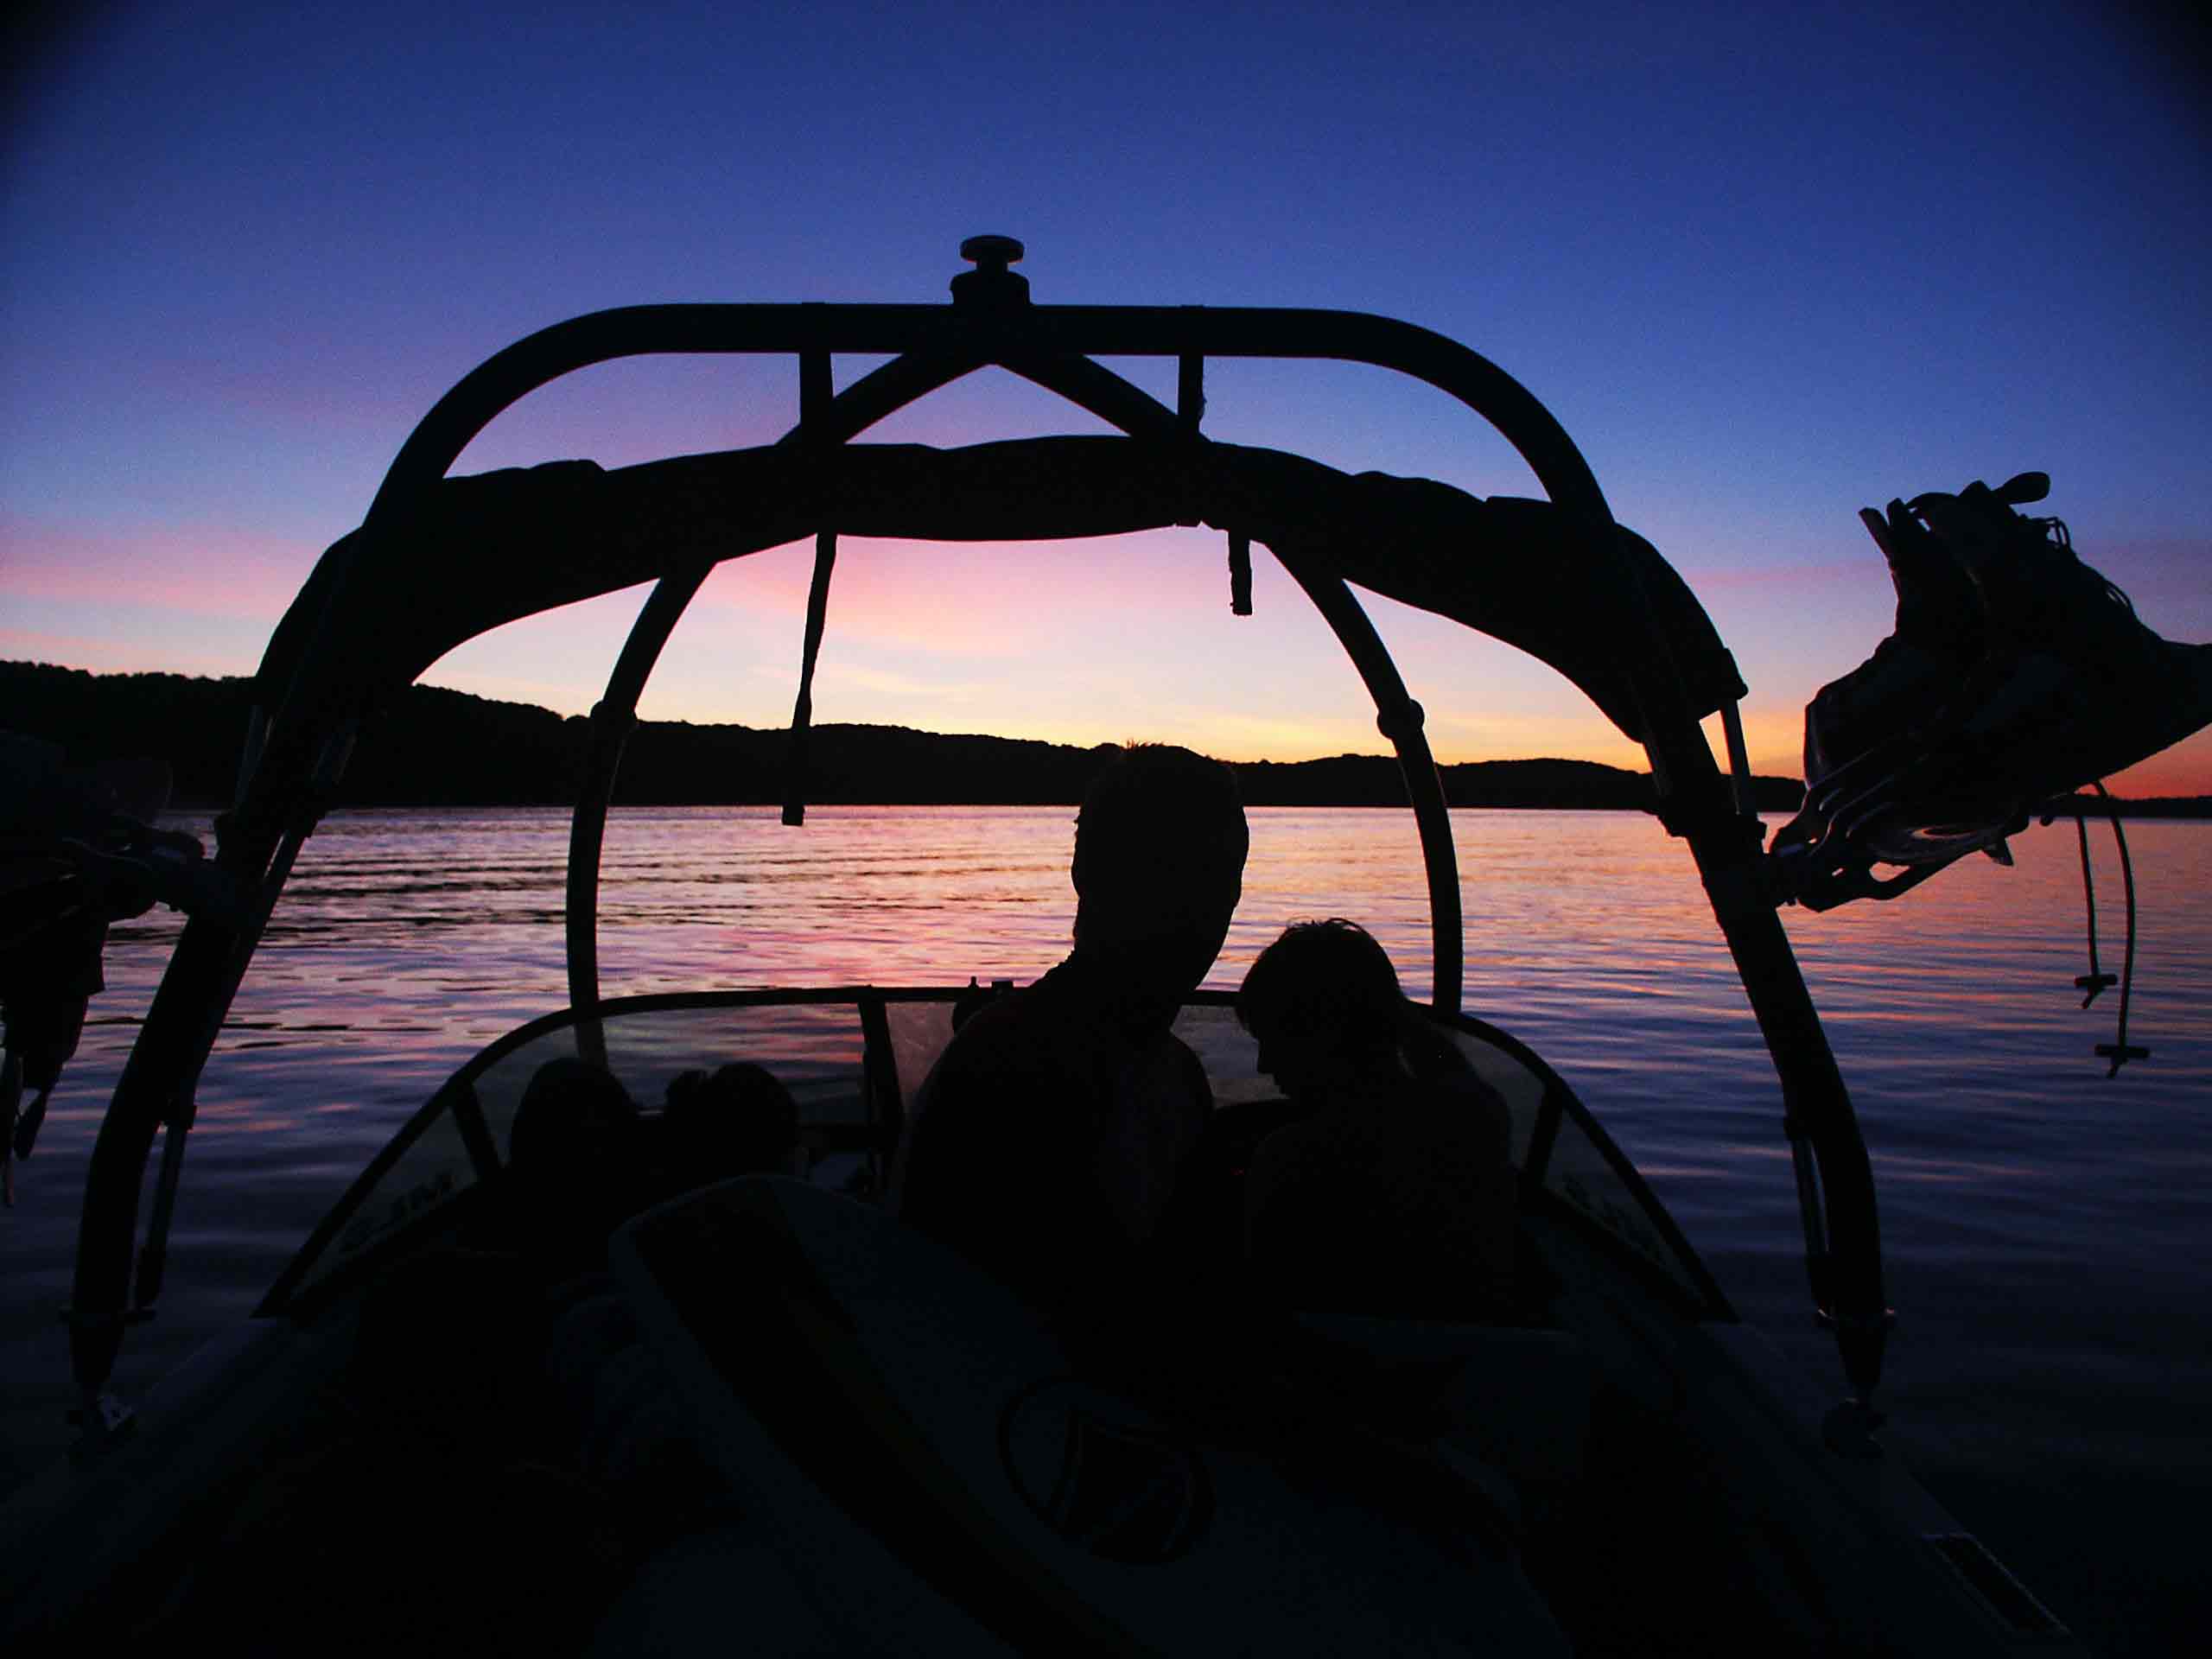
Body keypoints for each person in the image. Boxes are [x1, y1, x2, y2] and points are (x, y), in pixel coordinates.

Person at [891, 744, 1248, 1312]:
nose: (1197, 913)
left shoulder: (1177, 1074)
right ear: (1087, 876)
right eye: (1164, 874)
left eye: (1220, 880)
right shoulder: (1008, 1077)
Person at [1236, 918, 1516, 1320]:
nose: (1264, 1065)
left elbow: (1261, 1310)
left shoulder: (1287, 1161)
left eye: (1274, 1041)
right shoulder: (1475, 1123)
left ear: (1322, 1036)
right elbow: (1449, 1070)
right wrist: (1385, 1007)